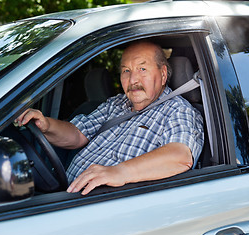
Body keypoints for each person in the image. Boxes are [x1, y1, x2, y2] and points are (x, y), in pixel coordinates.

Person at [16, 41, 204, 195]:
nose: (133, 80)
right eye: (126, 71)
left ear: (163, 74)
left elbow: (181, 156)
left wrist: (119, 172)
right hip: (68, 193)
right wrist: (47, 125)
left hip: (105, 207)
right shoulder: (116, 103)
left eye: (142, 69)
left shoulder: (179, 110)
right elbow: (77, 134)